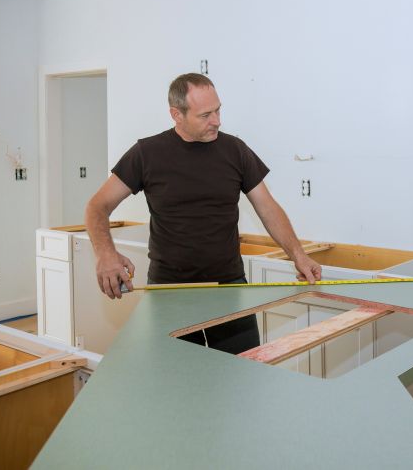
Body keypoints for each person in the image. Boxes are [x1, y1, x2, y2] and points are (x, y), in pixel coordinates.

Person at [85, 73, 321, 353]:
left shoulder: (235, 150)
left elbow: (267, 207)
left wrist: (298, 255)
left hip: (228, 286)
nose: (217, 121)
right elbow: (97, 206)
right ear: (177, 114)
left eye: (218, 110)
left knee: (242, 371)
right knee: (178, 375)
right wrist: (106, 254)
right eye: (206, 115)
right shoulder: (146, 153)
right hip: (169, 291)